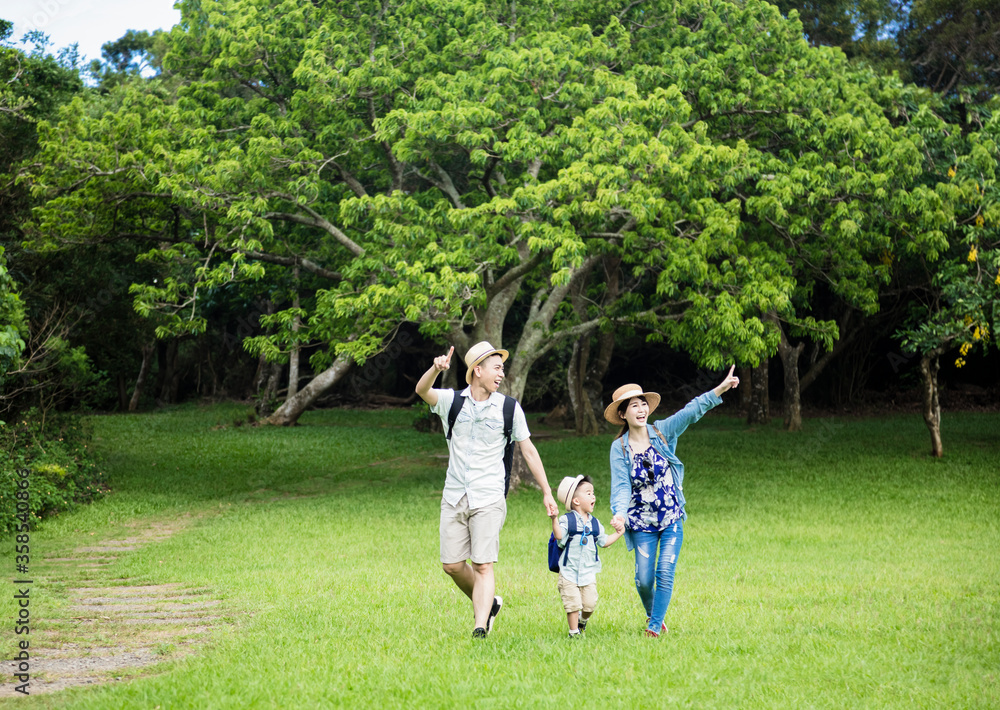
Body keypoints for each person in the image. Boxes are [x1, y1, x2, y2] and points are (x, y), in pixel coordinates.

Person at [416, 341, 559, 639]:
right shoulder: (451, 402)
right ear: (477, 371)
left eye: (502, 369)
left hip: (490, 496)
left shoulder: (509, 408)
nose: (501, 374)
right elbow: (422, 391)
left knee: (483, 565)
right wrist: (435, 369)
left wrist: (546, 490)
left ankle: (480, 627)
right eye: (497, 368)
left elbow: (529, 451)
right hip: (454, 494)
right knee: (452, 565)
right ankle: (489, 602)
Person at [606, 366, 739, 638]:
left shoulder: (663, 431)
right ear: (623, 414)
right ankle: (654, 614)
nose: (641, 409)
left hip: (671, 517)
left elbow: (690, 412)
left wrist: (720, 389)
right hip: (640, 522)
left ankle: (654, 627)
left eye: (643, 404)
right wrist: (619, 515)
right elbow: (621, 486)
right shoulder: (619, 448)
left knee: (664, 570)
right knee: (643, 580)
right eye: (634, 406)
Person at [550, 475, 623, 638]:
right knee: (573, 604)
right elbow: (559, 536)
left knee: (589, 605)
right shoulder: (566, 520)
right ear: (576, 501)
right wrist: (554, 519)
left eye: (593, 493)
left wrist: (619, 533)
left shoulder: (595, 524)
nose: (593, 496)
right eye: (588, 493)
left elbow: (604, 542)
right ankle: (573, 632)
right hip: (569, 571)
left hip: (588, 572)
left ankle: (583, 621)